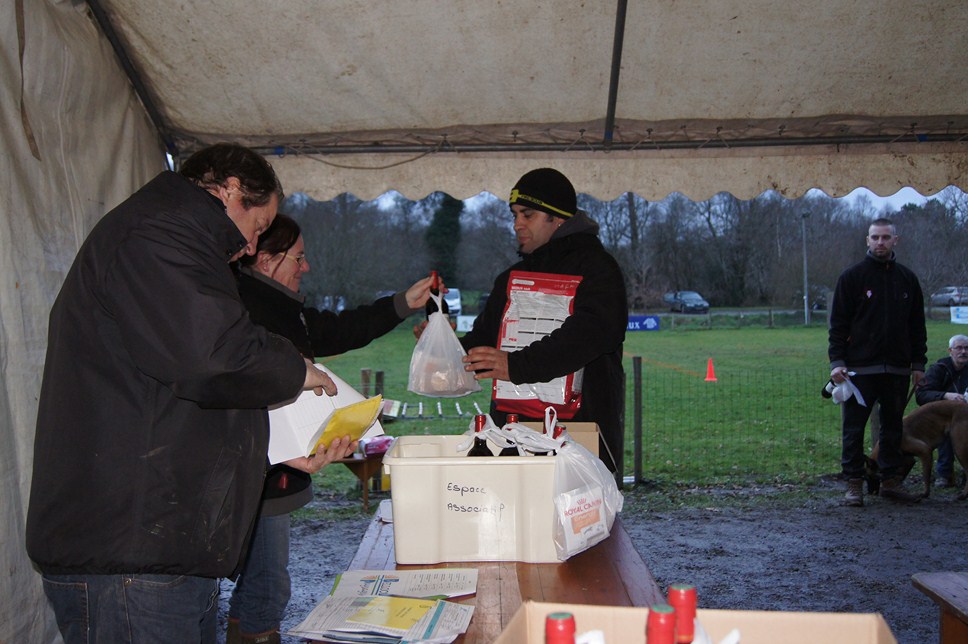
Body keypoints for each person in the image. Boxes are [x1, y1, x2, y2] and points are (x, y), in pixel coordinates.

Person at [25, 143, 350, 644]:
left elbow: (175, 403)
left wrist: (280, 450)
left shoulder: (173, 240)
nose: (248, 247)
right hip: (127, 556)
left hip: (157, 546)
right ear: (233, 191)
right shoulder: (154, 236)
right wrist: (295, 369)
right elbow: (212, 355)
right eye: (259, 228)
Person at [230, 214, 433, 643]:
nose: (305, 268)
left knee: (261, 586)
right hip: (260, 478)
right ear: (266, 260)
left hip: (270, 474)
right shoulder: (248, 312)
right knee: (267, 588)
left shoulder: (278, 308)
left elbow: (339, 328)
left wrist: (402, 303)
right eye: (298, 258)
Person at [459, 168, 628, 474]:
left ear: (558, 218)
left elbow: (590, 333)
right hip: (514, 434)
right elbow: (484, 342)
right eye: (514, 215)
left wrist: (517, 365)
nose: (516, 224)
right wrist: (443, 343)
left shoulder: (598, 269)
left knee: (579, 520)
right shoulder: (510, 278)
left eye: (528, 215)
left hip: (581, 435)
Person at [828, 217, 927, 506]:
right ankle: (854, 484)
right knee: (854, 429)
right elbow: (838, 325)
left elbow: (917, 326)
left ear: (895, 240)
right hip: (859, 369)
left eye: (886, 237)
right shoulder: (852, 278)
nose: (880, 242)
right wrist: (837, 361)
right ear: (867, 240)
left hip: (897, 368)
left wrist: (918, 365)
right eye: (875, 237)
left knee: (893, 427)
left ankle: (890, 482)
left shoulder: (908, 279)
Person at [914, 334, 968, 487]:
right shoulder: (939, 369)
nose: (963, 352)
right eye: (959, 348)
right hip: (941, 419)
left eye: (966, 348)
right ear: (950, 350)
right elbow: (921, 395)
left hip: (965, 416)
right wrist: (945, 395)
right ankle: (944, 474)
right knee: (949, 430)